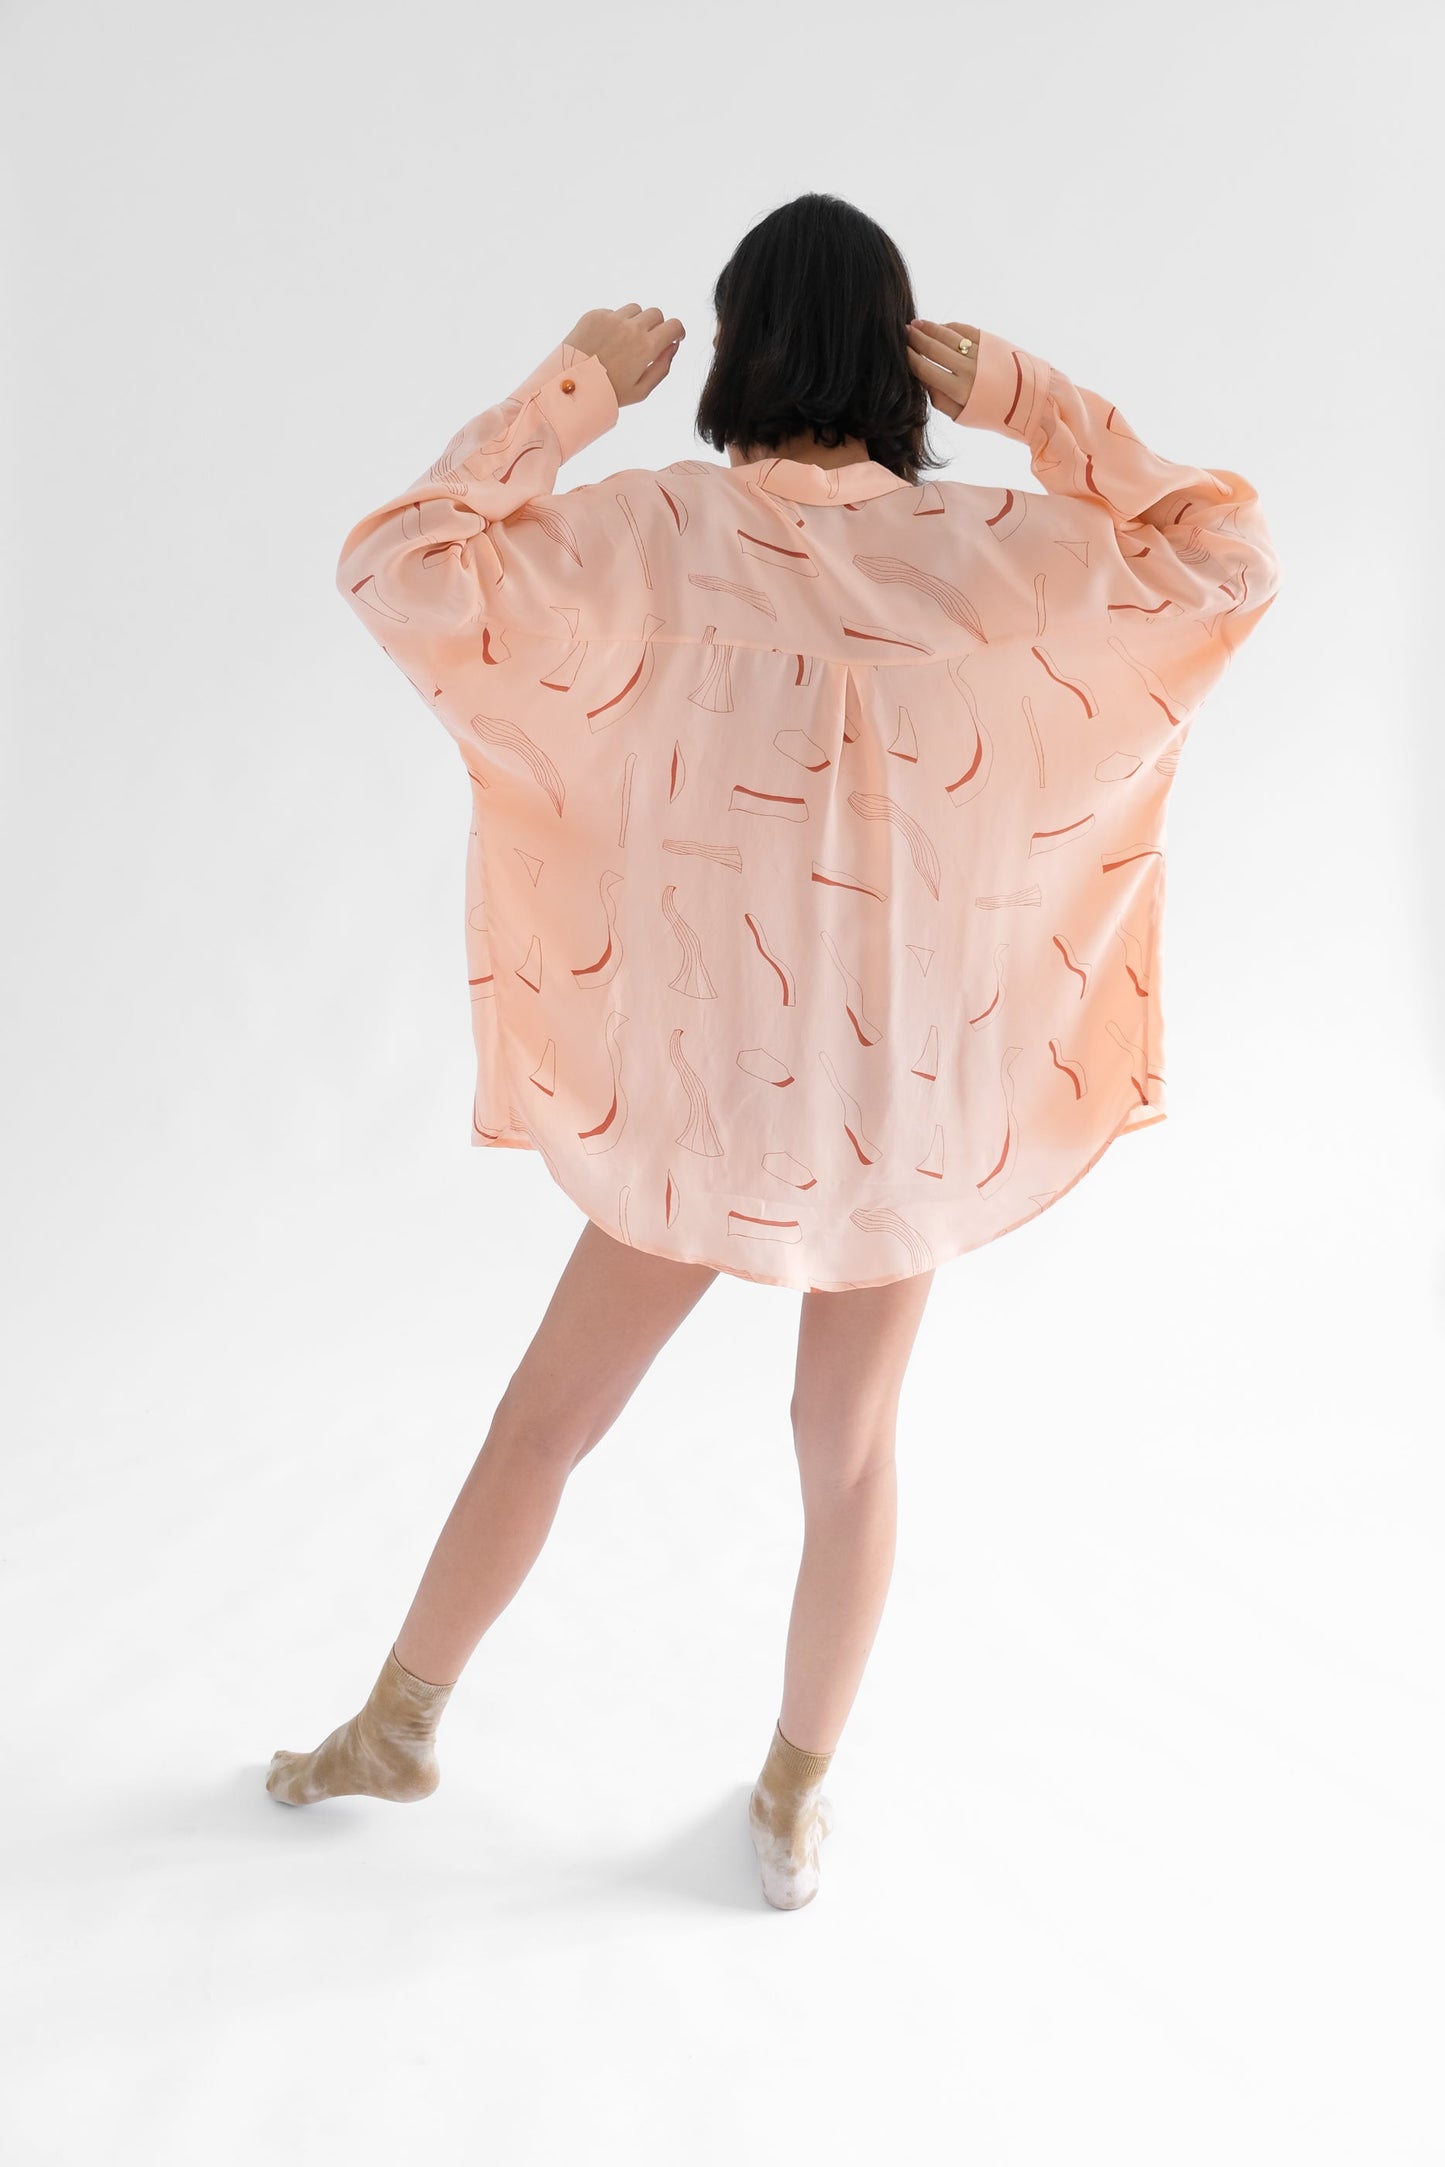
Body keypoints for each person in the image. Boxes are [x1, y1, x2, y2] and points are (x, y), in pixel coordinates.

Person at [266, 194, 1281, 1910]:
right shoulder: (991, 552)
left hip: (698, 1096)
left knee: (543, 1427)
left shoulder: (643, 529)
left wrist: (568, 392)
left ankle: (399, 1719)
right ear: (905, 365)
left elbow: (399, 567)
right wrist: (1035, 400)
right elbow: (1228, 560)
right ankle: (793, 1794)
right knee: (850, 1455)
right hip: (898, 1103)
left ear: (728, 349)